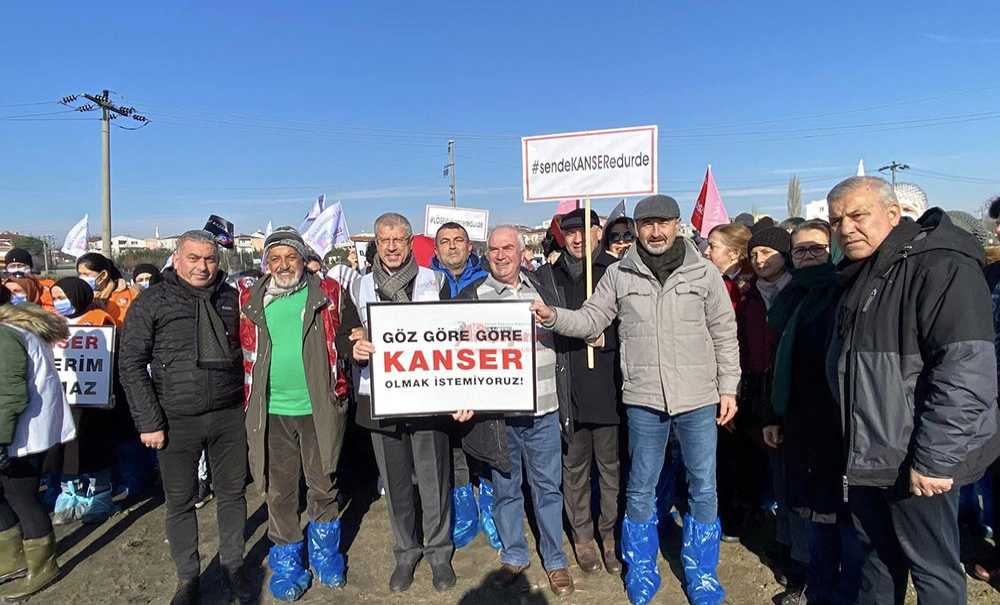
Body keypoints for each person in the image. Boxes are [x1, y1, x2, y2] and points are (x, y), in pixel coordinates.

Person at [532, 194, 740, 605]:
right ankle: (642, 566)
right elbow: (591, 318)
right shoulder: (620, 273)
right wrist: (553, 316)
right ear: (638, 229)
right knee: (641, 485)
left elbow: (723, 332)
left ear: (677, 225)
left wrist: (728, 387)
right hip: (644, 399)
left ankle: (702, 571)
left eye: (663, 223)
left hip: (698, 397)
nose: (655, 231)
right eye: (647, 224)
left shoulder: (703, 273)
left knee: (703, 485)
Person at [826, 176, 999, 604]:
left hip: (916, 459)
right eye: (836, 220)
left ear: (893, 214)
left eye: (858, 215)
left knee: (932, 569)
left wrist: (934, 459)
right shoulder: (864, 271)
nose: (846, 228)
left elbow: (965, 373)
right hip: (869, 452)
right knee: (876, 562)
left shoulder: (941, 266)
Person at [119, 230, 251, 605]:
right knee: (179, 501)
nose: (202, 267)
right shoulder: (152, 301)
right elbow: (131, 364)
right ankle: (188, 577)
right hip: (175, 418)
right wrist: (148, 421)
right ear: (176, 259)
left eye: (209, 259)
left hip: (228, 414)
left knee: (232, 494)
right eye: (193, 258)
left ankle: (233, 566)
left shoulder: (232, 297)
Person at [339, 213, 457, 593]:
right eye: (384, 240)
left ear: (409, 243)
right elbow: (343, 335)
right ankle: (406, 552)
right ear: (376, 243)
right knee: (396, 483)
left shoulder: (435, 281)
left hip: (427, 397)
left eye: (398, 240)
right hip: (380, 398)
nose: (391, 247)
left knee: (434, 480)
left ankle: (439, 553)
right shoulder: (358, 286)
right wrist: (354, 347)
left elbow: (454, 334)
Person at [455, 225, 574, 597]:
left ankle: (555, 560)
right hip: (500, 417)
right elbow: (457, 354)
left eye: (508, 248)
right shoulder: (473, 296)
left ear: (523, 253)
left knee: (548, 489)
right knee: (506, 490)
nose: (501, 255)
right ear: (486, 254)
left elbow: (566, 327)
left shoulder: (543, 288)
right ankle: (514, 555)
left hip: (544, 410)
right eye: (494, 249)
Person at [238, 227, 349, 601]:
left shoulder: (328, 293)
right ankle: (287, 562)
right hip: (272, 411)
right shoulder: (250, 300)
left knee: (323, 483)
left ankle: (325, 556)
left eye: (291, 257)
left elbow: (351, 334)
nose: (284, 265)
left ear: (304, 260)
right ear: (266, 264)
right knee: (279, 490)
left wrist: (356, 343)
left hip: (318, 409)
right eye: (276, 258)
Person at [761, 221, 861, 605]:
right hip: (799, 419)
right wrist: (774, 415)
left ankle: (842, 591)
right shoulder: (793, 297)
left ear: (831, 250)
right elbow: (778, 361)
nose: (807, 257)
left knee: (840, 514)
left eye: (816, 249)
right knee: (810, 509)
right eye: (799, 250)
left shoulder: (842, 292)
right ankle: (814, 585)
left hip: (837, 422)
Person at [536, 208, 623, 575]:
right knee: (574, 469)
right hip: (567, 386)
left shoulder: (616, 270)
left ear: (598, 232)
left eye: (585, 231)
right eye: (570, 232)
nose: (577, 238)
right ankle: (583, 536)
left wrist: (607, 339)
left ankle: (610, 534)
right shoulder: (548, 276)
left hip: (608, 385)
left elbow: (633, 324)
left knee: (610, 470)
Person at [738, 226, 811, 592]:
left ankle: (804, 559)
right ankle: (785, 546)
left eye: (767, 252)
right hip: (762, 395)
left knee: (799, 486)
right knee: (778, 478)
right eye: (754, 254)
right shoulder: (750, 296)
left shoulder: (801, 292)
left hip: (799, 398)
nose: (759, 260)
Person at [0, 291, 76, 601]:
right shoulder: (17, 327)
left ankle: (43, 566)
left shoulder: (7, 334)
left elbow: (9, 394)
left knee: (21, 496)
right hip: (21, 430)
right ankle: (12, 558)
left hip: (21, 434)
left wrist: (1, 440)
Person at [429, 222, 496, 551]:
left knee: (488, 445)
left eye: (459, 240)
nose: (452, 246)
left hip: (484, 379)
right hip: (442, 382)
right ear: (436, 249)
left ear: (470, 247)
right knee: (453, 450)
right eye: (445, 241)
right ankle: (464, 513)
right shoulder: (427, 284)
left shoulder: (488, 279)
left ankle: (492, 510)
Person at [45, 278, 123, 526]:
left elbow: (111, 359)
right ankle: (70, 494)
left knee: (93, 448)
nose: (58, 302)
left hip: (92, 402)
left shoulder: (100, 319)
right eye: (55, 297)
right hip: (59, 401)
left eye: (62, 297)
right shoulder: (49, 322)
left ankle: (100, 495)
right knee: (62, 451)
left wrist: (111, 392)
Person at [76, 253, 135, 326]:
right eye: (80, 274)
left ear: (103, 275)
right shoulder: (78, 297)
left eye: (86, 274)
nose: (81, 278)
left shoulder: (130, 295)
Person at [704, 223, 752, 307]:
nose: (706, 251)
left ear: (734, 253)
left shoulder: (753, 287)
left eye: (712, 246)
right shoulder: (704, 278)